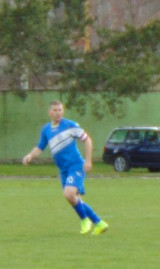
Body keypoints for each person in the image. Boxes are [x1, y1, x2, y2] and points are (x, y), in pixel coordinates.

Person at [21, 100, 108, 235]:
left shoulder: (70, 125)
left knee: (69, 194)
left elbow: (87, 140)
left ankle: (85, 220)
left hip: (76, 166)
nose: (58, 113)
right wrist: (30, 156)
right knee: (73, 198)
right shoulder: (46, 130)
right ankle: (99, 223)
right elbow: (40, 147)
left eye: (60, 110)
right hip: (63, 169)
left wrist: (88, 160)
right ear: (49, 112)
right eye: (55, 110)